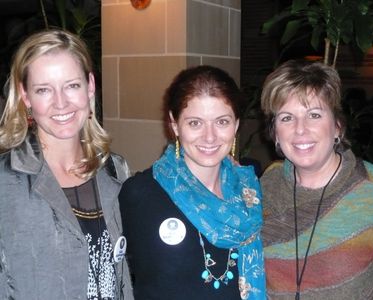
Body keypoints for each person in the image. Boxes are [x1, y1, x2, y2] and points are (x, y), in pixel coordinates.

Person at [0, 29, 134, 299]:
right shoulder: (6, 181)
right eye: (43, 90)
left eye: (71, 85)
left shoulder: (115, 170)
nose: (60, 103)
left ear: (90, 86)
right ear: (26, 97)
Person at [119, 65, 266, 300]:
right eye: (195, 123)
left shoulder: (250, 191)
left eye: (221, 122)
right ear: (175, 124)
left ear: (236, 125)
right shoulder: (140, 195)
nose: (209, 137)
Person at [260, 60, 373, 299]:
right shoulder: (265, 186)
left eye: (314, 114)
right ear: (275, 133)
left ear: (337, 126)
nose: (300, 129)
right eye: (286, 118)